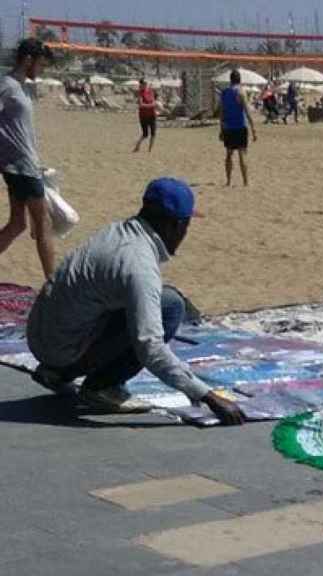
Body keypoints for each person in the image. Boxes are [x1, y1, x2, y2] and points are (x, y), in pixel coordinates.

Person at [27, 178, 244, 424]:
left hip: (41, 337)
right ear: (177, 225)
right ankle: (101, 387)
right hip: (60, 349)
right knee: (170, 307)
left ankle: (57, 373)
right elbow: (150, 347)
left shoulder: (116, 232)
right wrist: (208, 396)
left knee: (163, 298)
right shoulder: (139, 264)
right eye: (187, 225)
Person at [0, 38, 56, 281]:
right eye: (41, 64)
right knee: (43, 225)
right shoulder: (8, 86)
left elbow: (20, 128)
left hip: (25, 164)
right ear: (28, 60)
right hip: (20, 167)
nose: (41, 70)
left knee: (18, 224)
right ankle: (53, 285)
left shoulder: (21, 87)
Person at [219, 70, 257, 187]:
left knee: (229, 154)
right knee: (242, 154)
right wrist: (253, 129)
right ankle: (246, 182)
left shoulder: (224, 93)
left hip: (228, 127)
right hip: (240, 126)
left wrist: (221, 129)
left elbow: (221, 112)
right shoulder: (241, 92)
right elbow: (247, 111)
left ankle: (228, 181)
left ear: (230, 80)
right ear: (240, 80)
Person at [132, 78, 158, 153]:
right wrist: (151, 105)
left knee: (153, 133)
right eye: (144, 84)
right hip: (143, 116)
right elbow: (141, 104)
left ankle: (150, 150)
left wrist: (154, 105)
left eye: (146, 83)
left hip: (152, 115)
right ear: (141, 84)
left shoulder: (150, 91)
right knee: (145, 134)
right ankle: (137, 146)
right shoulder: (140, 93)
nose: (146, 85)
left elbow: (153, 101)